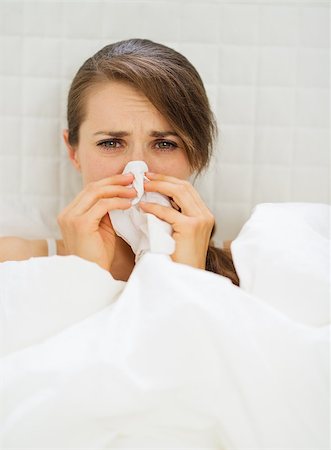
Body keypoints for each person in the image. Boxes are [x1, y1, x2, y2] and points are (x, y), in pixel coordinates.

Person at [0, 38, 239, 286]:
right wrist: (82, 275)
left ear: (196, 155)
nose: (138, 168)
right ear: (74, 153)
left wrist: (189, 276)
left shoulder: (251, 268)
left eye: (165, 144)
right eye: (111, 143)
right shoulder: (13, 265)